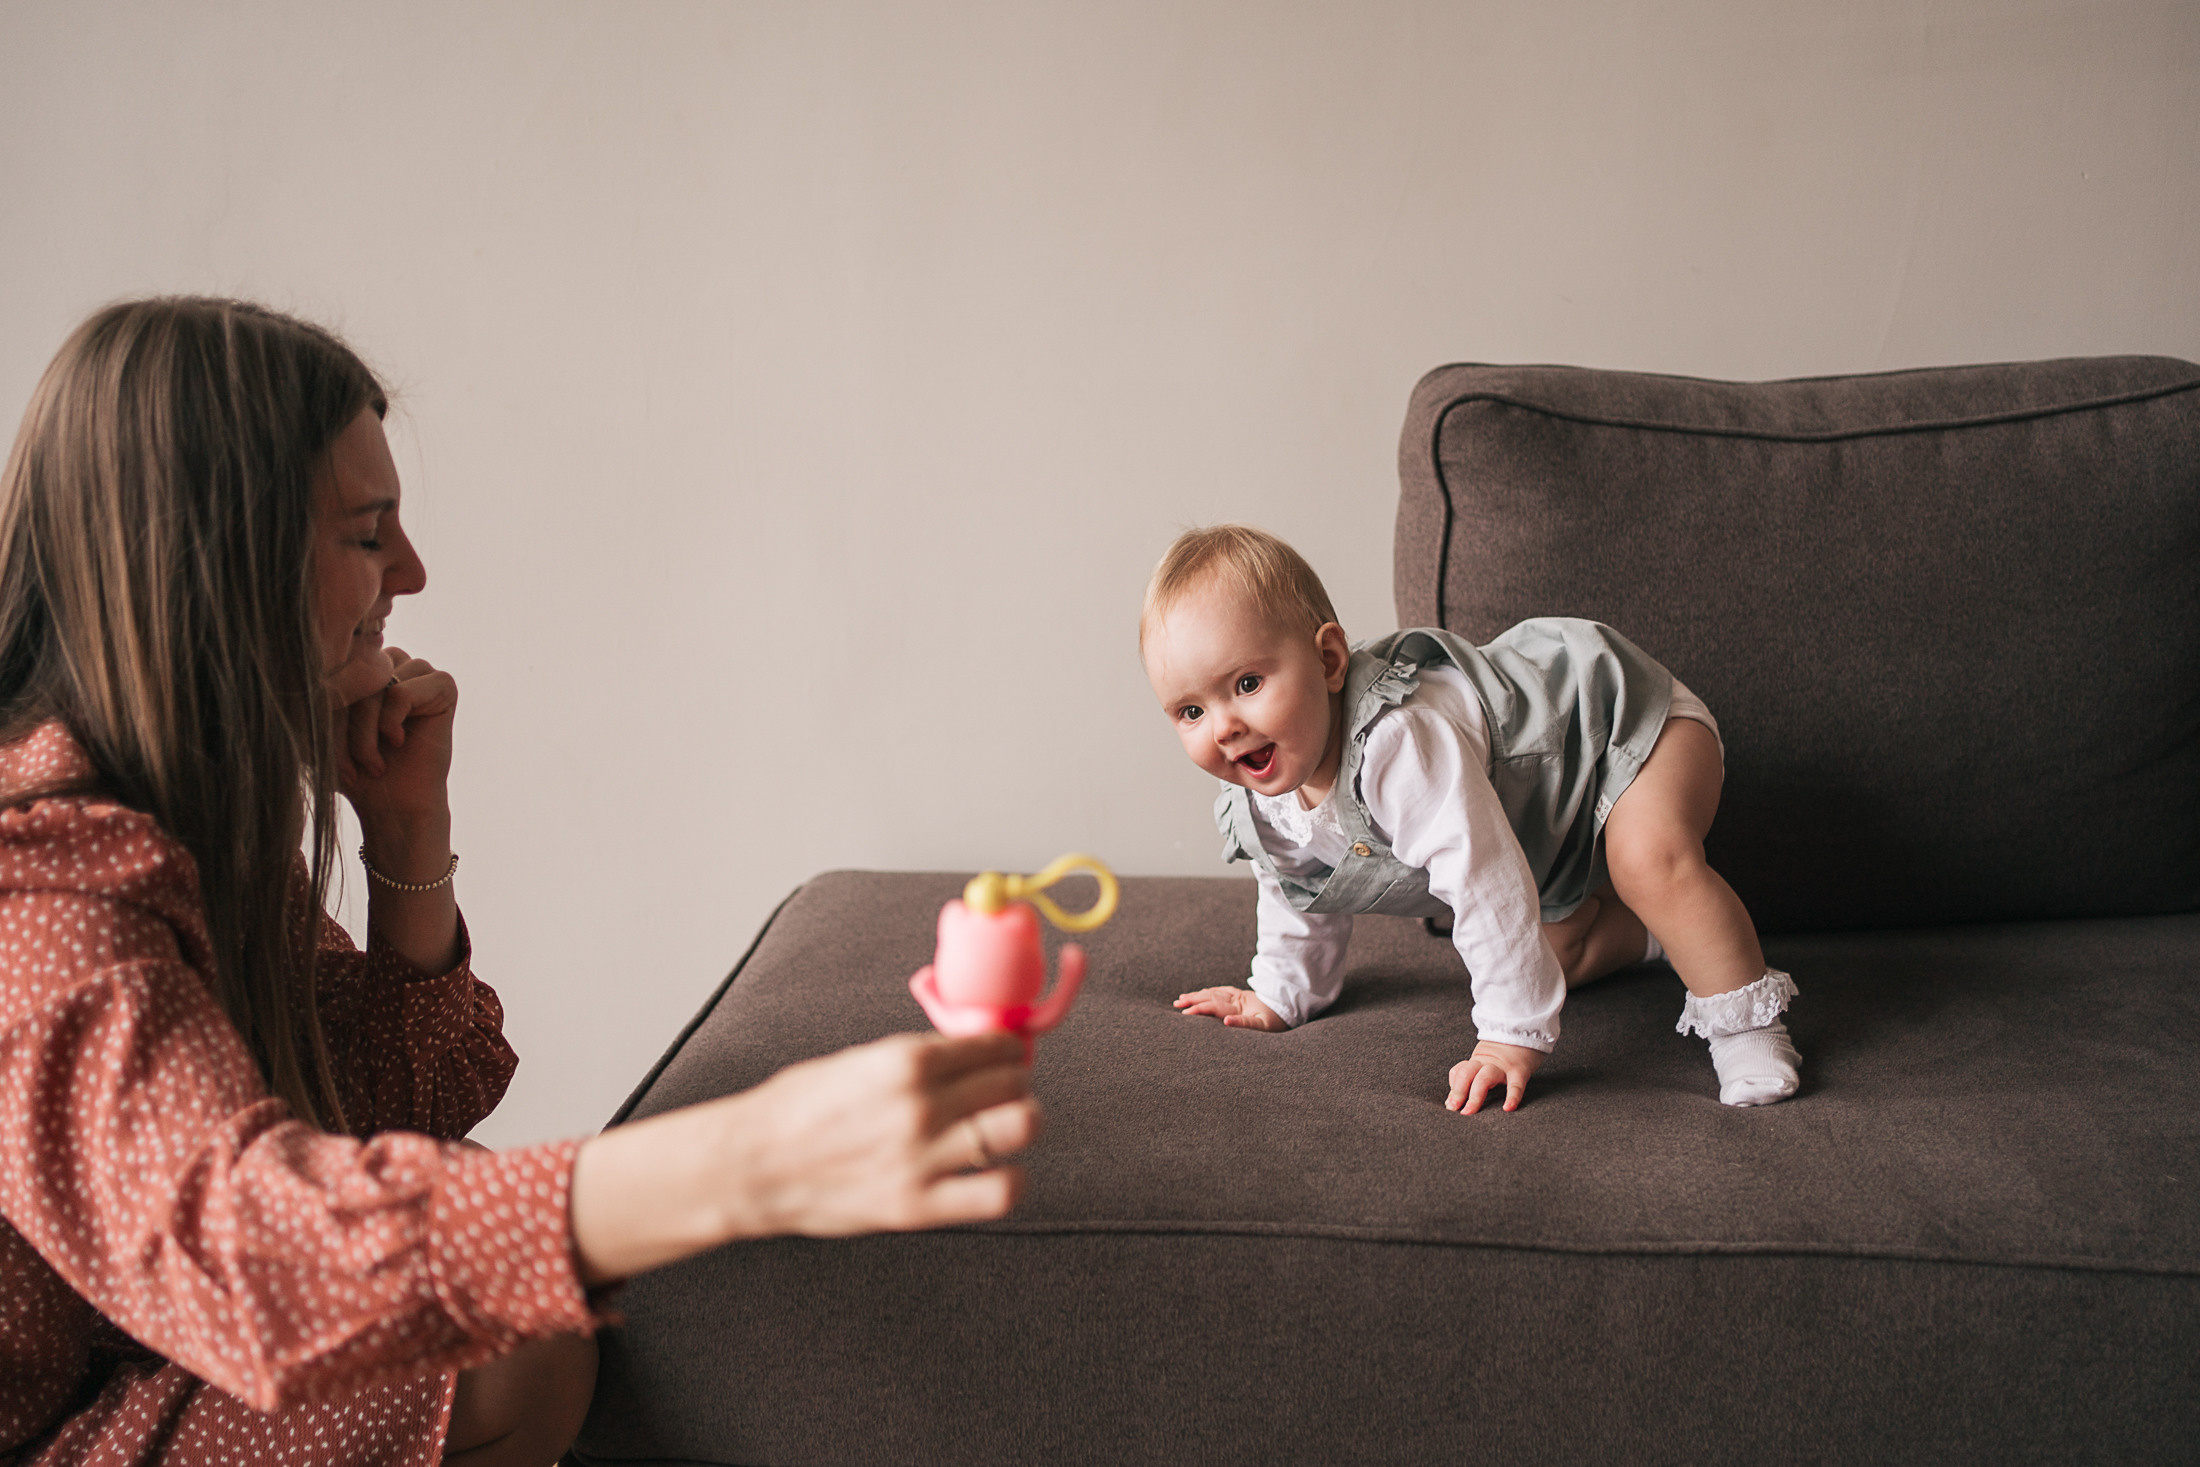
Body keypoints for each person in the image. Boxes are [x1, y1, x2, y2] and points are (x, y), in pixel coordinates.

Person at [0, 297, 1042, 1467]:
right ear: (214, 560)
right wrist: (753, 1161)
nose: (413, 570)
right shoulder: (42, 885)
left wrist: (406, 834)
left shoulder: (176, 818)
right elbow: (259, 1252)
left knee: (490, 1247)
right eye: (364, 532)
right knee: (508, 1343)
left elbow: (402, 1119)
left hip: (132, 1365)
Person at [1141, 524, 1800, 1112]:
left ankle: (1746, 1025)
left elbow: (1483, 880)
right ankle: (1660, 934)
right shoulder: (1262, 794)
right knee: (1555, 957)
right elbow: (1301, 894)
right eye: (1190, 711)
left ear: (1329, 660)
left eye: (1247, 683)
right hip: (1550, 819)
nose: (1225, 725)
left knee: (1646, 860)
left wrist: (1509, 1035)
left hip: (1624, 727)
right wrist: (1281, 995)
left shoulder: (1398, 742)